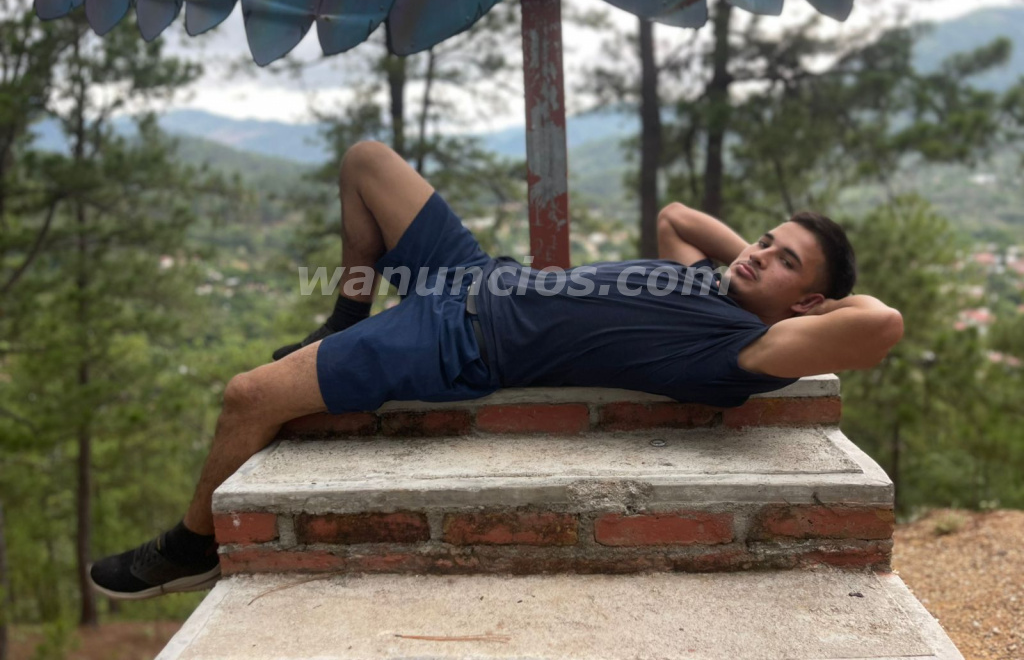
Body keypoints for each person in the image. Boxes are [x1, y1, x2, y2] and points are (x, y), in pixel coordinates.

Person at [88, 140, 903, 600]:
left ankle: (190, 546)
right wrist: (757, 263)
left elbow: (883, 325)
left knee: (248, 396)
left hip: (460, 342)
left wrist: (812, 308)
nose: (757, 254)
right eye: (764, 240)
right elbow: (677, 217)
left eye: (784, 260)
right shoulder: (709, 280)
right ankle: (343, 318)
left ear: (812, 304)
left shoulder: (747, 351)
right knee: (367, 161)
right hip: (476, 275)